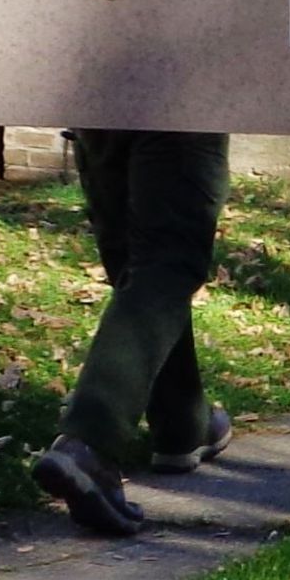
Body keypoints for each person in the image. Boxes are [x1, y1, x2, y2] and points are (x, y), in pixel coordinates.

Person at [33, 128, 234, 536]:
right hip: (179, 95)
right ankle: (90, 439)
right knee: (166, 264)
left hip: (99, 99)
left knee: (137, 268)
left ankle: (183, 425)